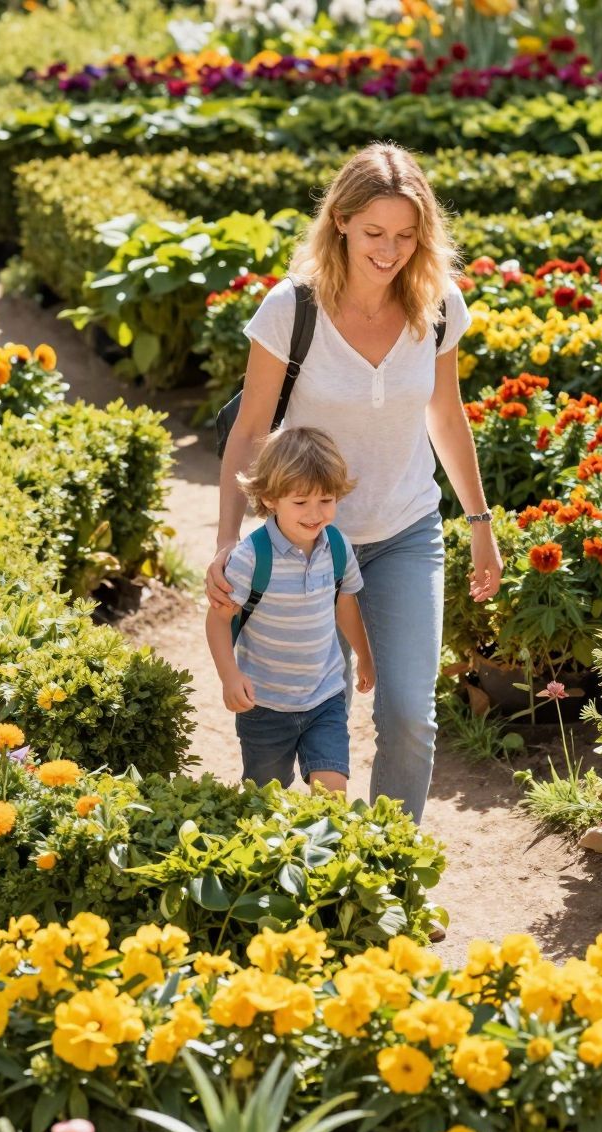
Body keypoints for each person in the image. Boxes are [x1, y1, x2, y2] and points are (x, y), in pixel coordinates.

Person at [210, 142, 500, 825]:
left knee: (408, 714)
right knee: (311, 711)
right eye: (374, 232)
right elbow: (249, 432)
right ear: (339, 220)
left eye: (406, 235)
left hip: (405, 533)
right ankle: (313, 852)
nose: (389, 250)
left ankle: (386, 858)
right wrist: (227, 540)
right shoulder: (292, 309)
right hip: (305, 544)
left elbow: (447, 415)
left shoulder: (437, 305)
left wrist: (480, 526)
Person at [207, 425, 373, 795]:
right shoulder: (251, 557)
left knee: (332, 792)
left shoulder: (338, 547)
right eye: (301, 503)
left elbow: (345, 603)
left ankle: (326, 851)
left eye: (326, 500)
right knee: (266, 798)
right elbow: (218, 620)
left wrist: (364, 655)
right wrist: (229, 676)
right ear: (269, 498)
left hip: (326, 696)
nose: (315, 514)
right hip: (263, 705)